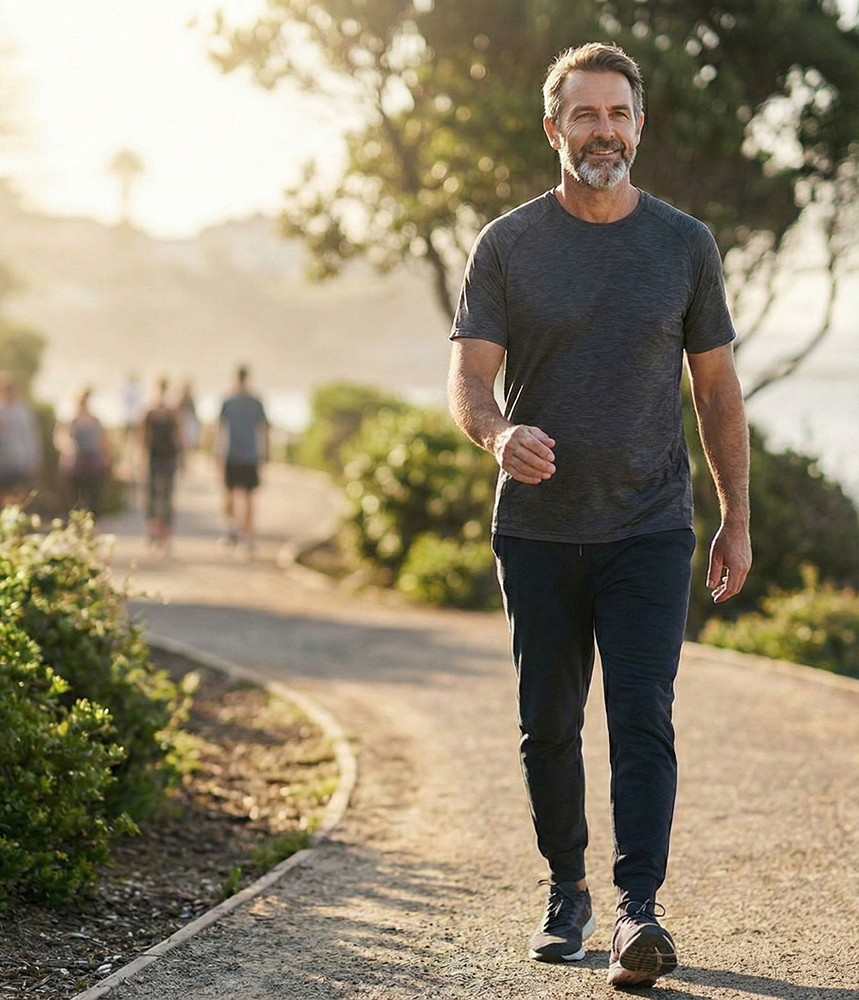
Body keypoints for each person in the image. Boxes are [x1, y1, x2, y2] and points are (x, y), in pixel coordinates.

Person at [447, 42, 751, 989]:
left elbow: (715, 388)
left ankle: (637, 913)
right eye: (585, 115)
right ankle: (566, 889)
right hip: (537, 531)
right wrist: (498, 436)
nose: (604, 132)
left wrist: (735, 516)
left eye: (619, 115)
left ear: (639, 126)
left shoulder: (684, 245)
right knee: (547, 723)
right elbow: (468, 376)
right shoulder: (507, 244)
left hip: (651, 526)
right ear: (554, 129)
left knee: (643, 716)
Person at [216, 365, 269, 553]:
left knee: (247, 496)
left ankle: (246, 534)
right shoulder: (228, 401)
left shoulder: (254, 402)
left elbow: (263, 428)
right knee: (231, 495)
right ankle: (233, 529)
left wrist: (265, 453)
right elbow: (220, 429)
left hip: (248, 455)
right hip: (234, 454)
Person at [0, 370, 42, 510]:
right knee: (0, 500)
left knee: (20, 498)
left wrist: (34, 461)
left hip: (19, 464)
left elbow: (32, 437)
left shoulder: (23, 409)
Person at [142, 377, 184, 550]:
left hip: (168, 459)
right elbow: (141, 438)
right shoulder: (148, 412)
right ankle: (153, 531)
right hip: (153, 458)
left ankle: (165, 534)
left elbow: (179, 437)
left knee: (167, 497)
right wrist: (140, 461)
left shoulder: (173, 413)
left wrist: (183, 459)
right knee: (151, 496)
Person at [56, 387, 110, 517]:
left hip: (92, 464)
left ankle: (91, 524)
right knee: (73, 500)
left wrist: (106, 457)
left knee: (92, 498)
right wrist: (68, 447)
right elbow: (61, 438)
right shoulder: (69, 420)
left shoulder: (95, 420)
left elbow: (103, 440)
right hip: (74, 464)